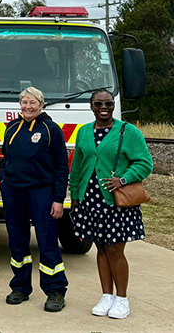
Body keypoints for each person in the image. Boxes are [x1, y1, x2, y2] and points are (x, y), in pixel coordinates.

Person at [69, 90, 153, 319]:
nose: (103, 107)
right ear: (92, 106)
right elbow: (77, 165)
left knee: (115, 249)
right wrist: (75, 194)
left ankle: (122, 299)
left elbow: (145, 163)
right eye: (99, 103)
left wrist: (123, 178)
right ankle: (106, 295)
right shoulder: (84, 131)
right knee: (100, 248)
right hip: (90, 200)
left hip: (115, 202)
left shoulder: (128, 131)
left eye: (108, 103)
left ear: (112, 106)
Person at [0, 87, 69, 313]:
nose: (28, 107)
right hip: (14, 193)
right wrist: (4, 182)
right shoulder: (11, 128)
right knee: (17, 240)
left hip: (42, 193)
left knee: (47, 241)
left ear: (42, 105)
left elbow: (61, 167)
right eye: (24, 102)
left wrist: (58, 199)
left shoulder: (51, 130)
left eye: (33, 103)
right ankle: (20, 286)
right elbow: (5, 158)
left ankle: (56, 291)